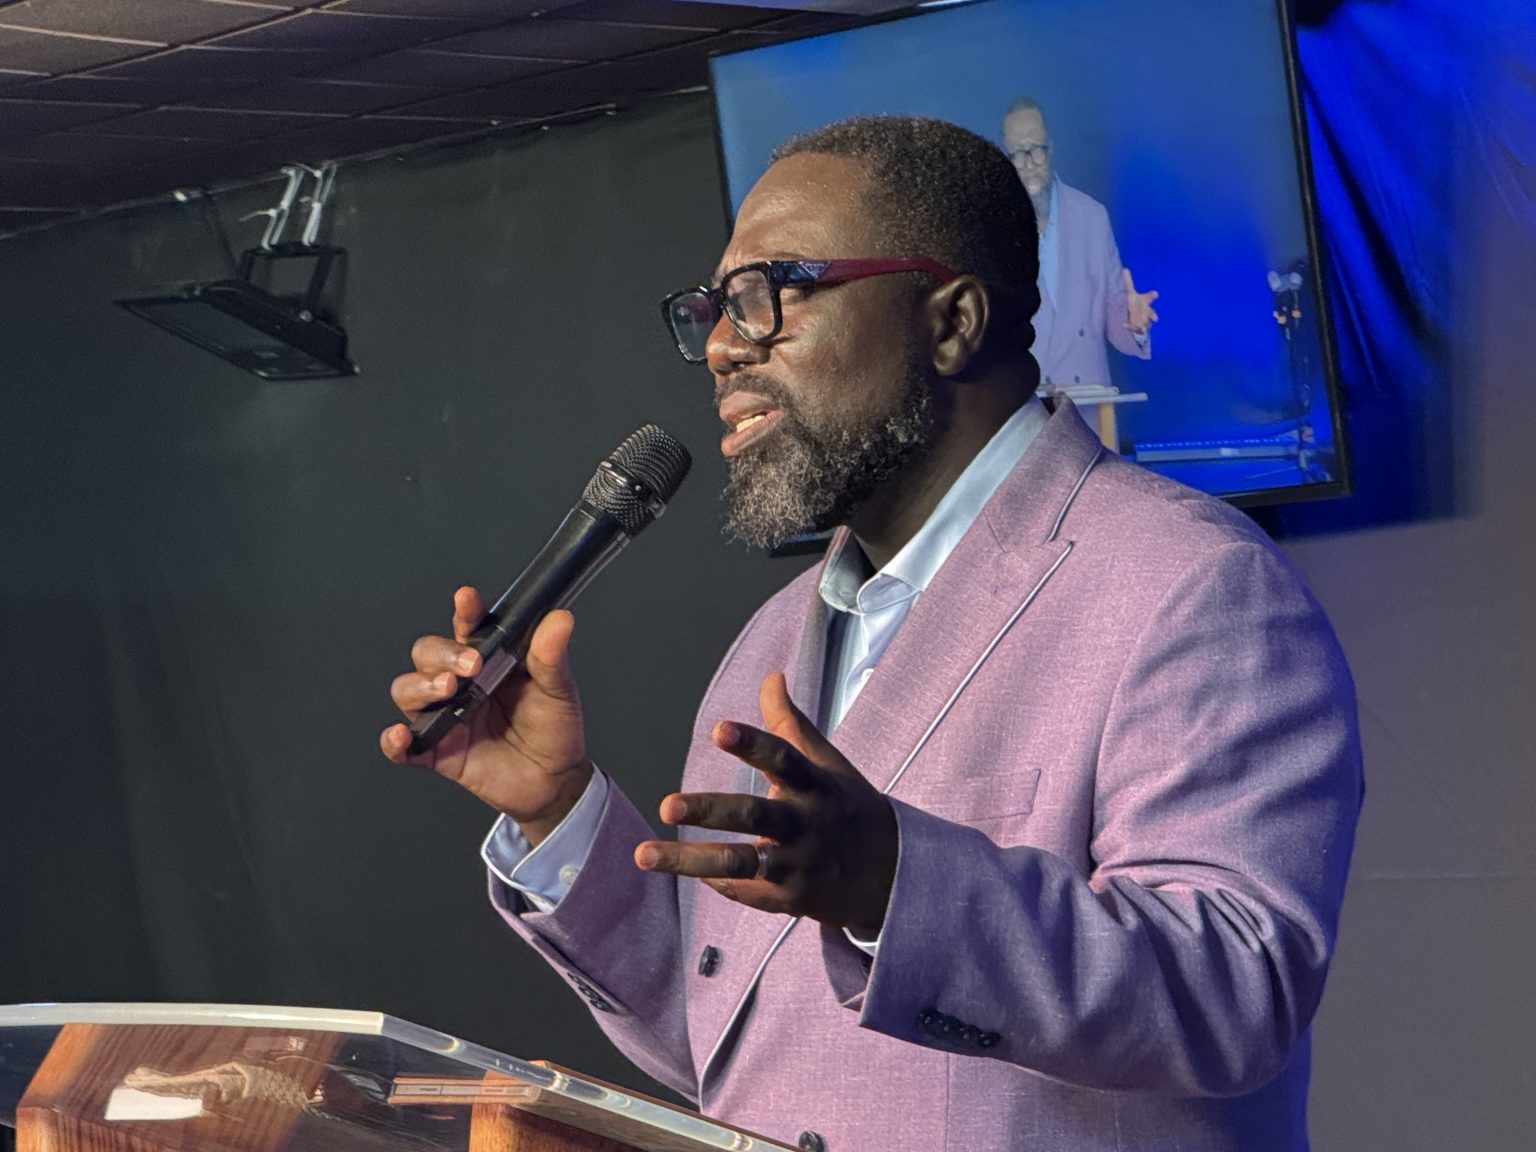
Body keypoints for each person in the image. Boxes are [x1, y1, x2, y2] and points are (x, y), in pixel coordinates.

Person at [382, 115, 1362, 1152]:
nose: (721, 346)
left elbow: (1236, 992)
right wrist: (559, 813)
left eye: (771, 292)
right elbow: (743, 1048)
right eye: (715, 307)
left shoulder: (1191, 583)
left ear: (952, 322)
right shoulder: (771, 642)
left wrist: (899, 883)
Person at [1002, 96, 1160, 390]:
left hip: (1088, 404)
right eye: (1018, 154)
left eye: (1036, 149)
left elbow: (1114, 313)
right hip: (1026, 403)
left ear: (1051, 147)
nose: (1029, 164)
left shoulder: (1092, 218)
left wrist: (1135, 323)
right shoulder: (996, 226)